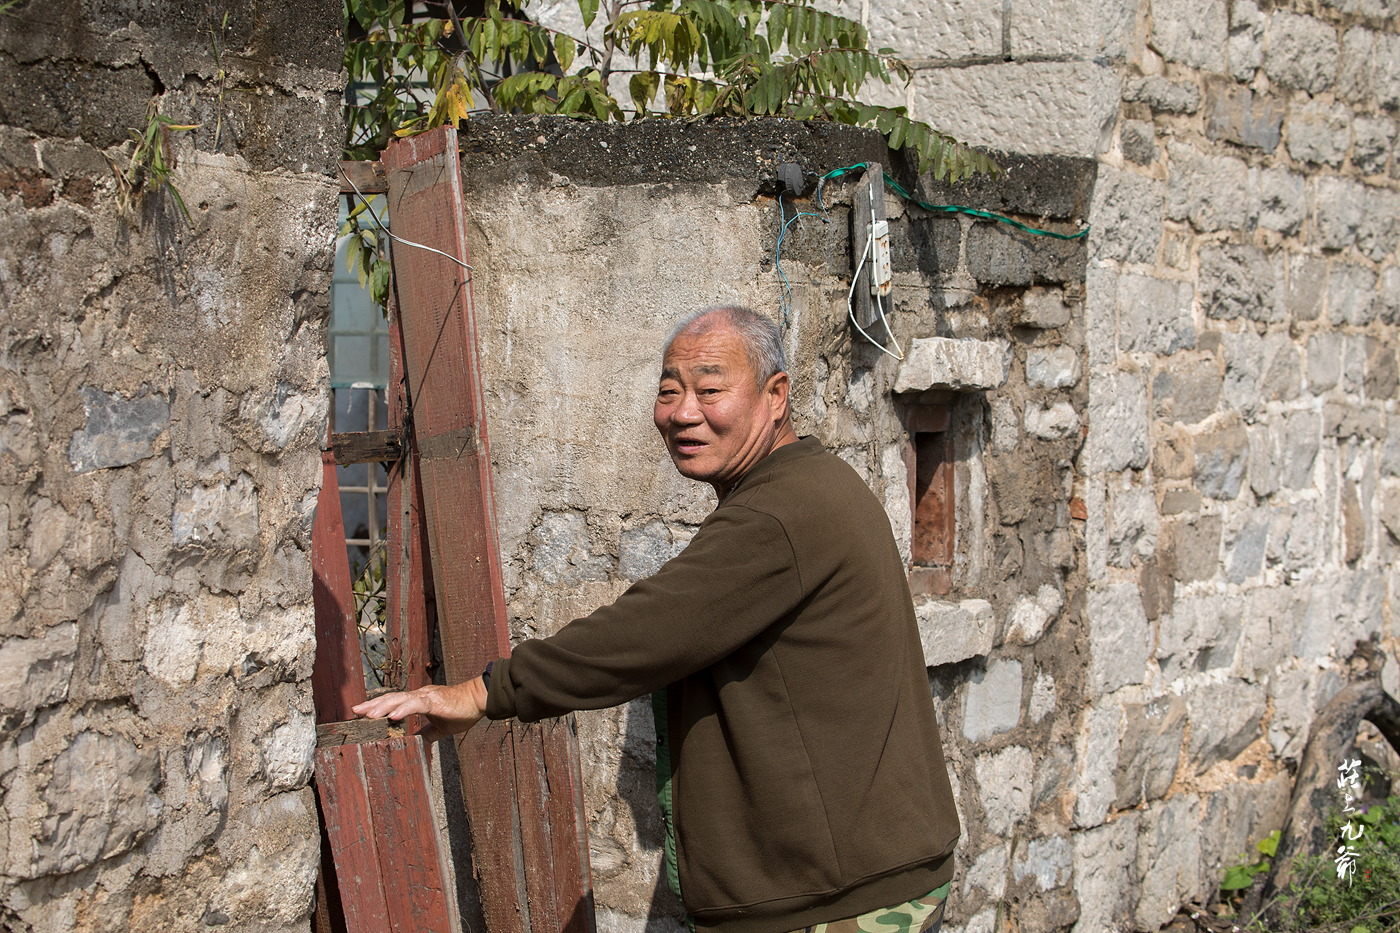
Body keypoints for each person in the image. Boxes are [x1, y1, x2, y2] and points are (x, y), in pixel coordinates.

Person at [353, 306, 961, 933]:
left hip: (842, 902)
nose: (683, 413)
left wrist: (482, 693)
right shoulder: (800, 488)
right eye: (670, 391)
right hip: (849, 881)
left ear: (775, 396)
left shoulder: (782, 513)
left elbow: (646, 634)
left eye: (710, 389)